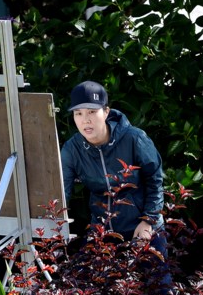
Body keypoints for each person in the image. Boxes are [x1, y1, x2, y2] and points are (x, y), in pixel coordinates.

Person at [60, 80, 167, 257]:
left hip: (144, 227)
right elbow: (62, 191)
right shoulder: (72, 149)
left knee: (157, 283)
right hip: (102, 232)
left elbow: (155, 180)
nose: (85, 119)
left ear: (106, 112)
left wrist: (148, 221)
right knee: (84, 279)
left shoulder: (135, 138)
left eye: (92, 112)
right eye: (78, 113)